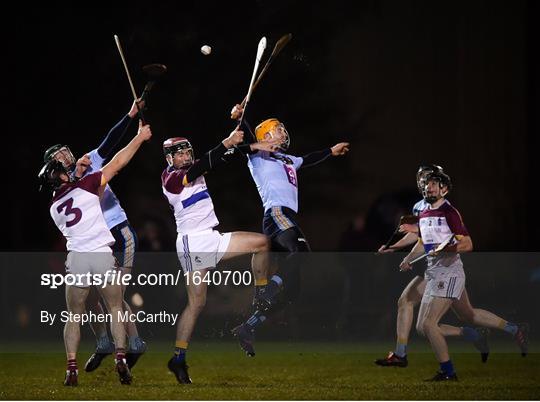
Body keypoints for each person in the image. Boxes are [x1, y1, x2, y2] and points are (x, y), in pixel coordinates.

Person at [375, 166, 529, 369]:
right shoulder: (420, 207)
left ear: (441, 186)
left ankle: (407, 356)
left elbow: (454, 241)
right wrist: (395, 248)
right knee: (467, 315)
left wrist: (440, 248)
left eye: (429, 180)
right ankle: (506, 330)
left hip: (444, 268)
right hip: (433, 265)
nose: (425, 183)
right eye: (423, 179)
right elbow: (421, 237)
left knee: (419, 315)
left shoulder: (445, 209)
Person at [162, 129, 282, 384]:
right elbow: (206, 162)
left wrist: (254, 144)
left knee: (261, 243)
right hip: (192, 243)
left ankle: (261, 293)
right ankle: (178, 358)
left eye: (186, 151)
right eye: (179, 153)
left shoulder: (196, 166)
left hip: (212, 237)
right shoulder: (170, 178)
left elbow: (224, 156)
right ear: (169, 158)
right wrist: (225, 141)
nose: (184, 156)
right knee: (197, 304)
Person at [229, 104, 350, 355]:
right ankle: (264, 292)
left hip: (288, 217)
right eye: (277, 131)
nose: (283, 134)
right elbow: (241, 146)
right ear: (266, 137)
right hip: (276, 214)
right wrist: (243, 119)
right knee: (302, 253)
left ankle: (248, 327)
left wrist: (331, 150)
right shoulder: (258, 156)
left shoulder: (288, 159)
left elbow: (310, 158)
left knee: (294, 290)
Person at [39, 120, 152, 386]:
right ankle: (121, 358)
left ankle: (71, 368)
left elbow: (72, 190)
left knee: (74, 316)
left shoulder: (54, 208)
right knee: (115, 307)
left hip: (77, 259)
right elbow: (117, 163)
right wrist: (138, 139)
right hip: (101, 254)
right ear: (61, 174)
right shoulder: (87, 185)